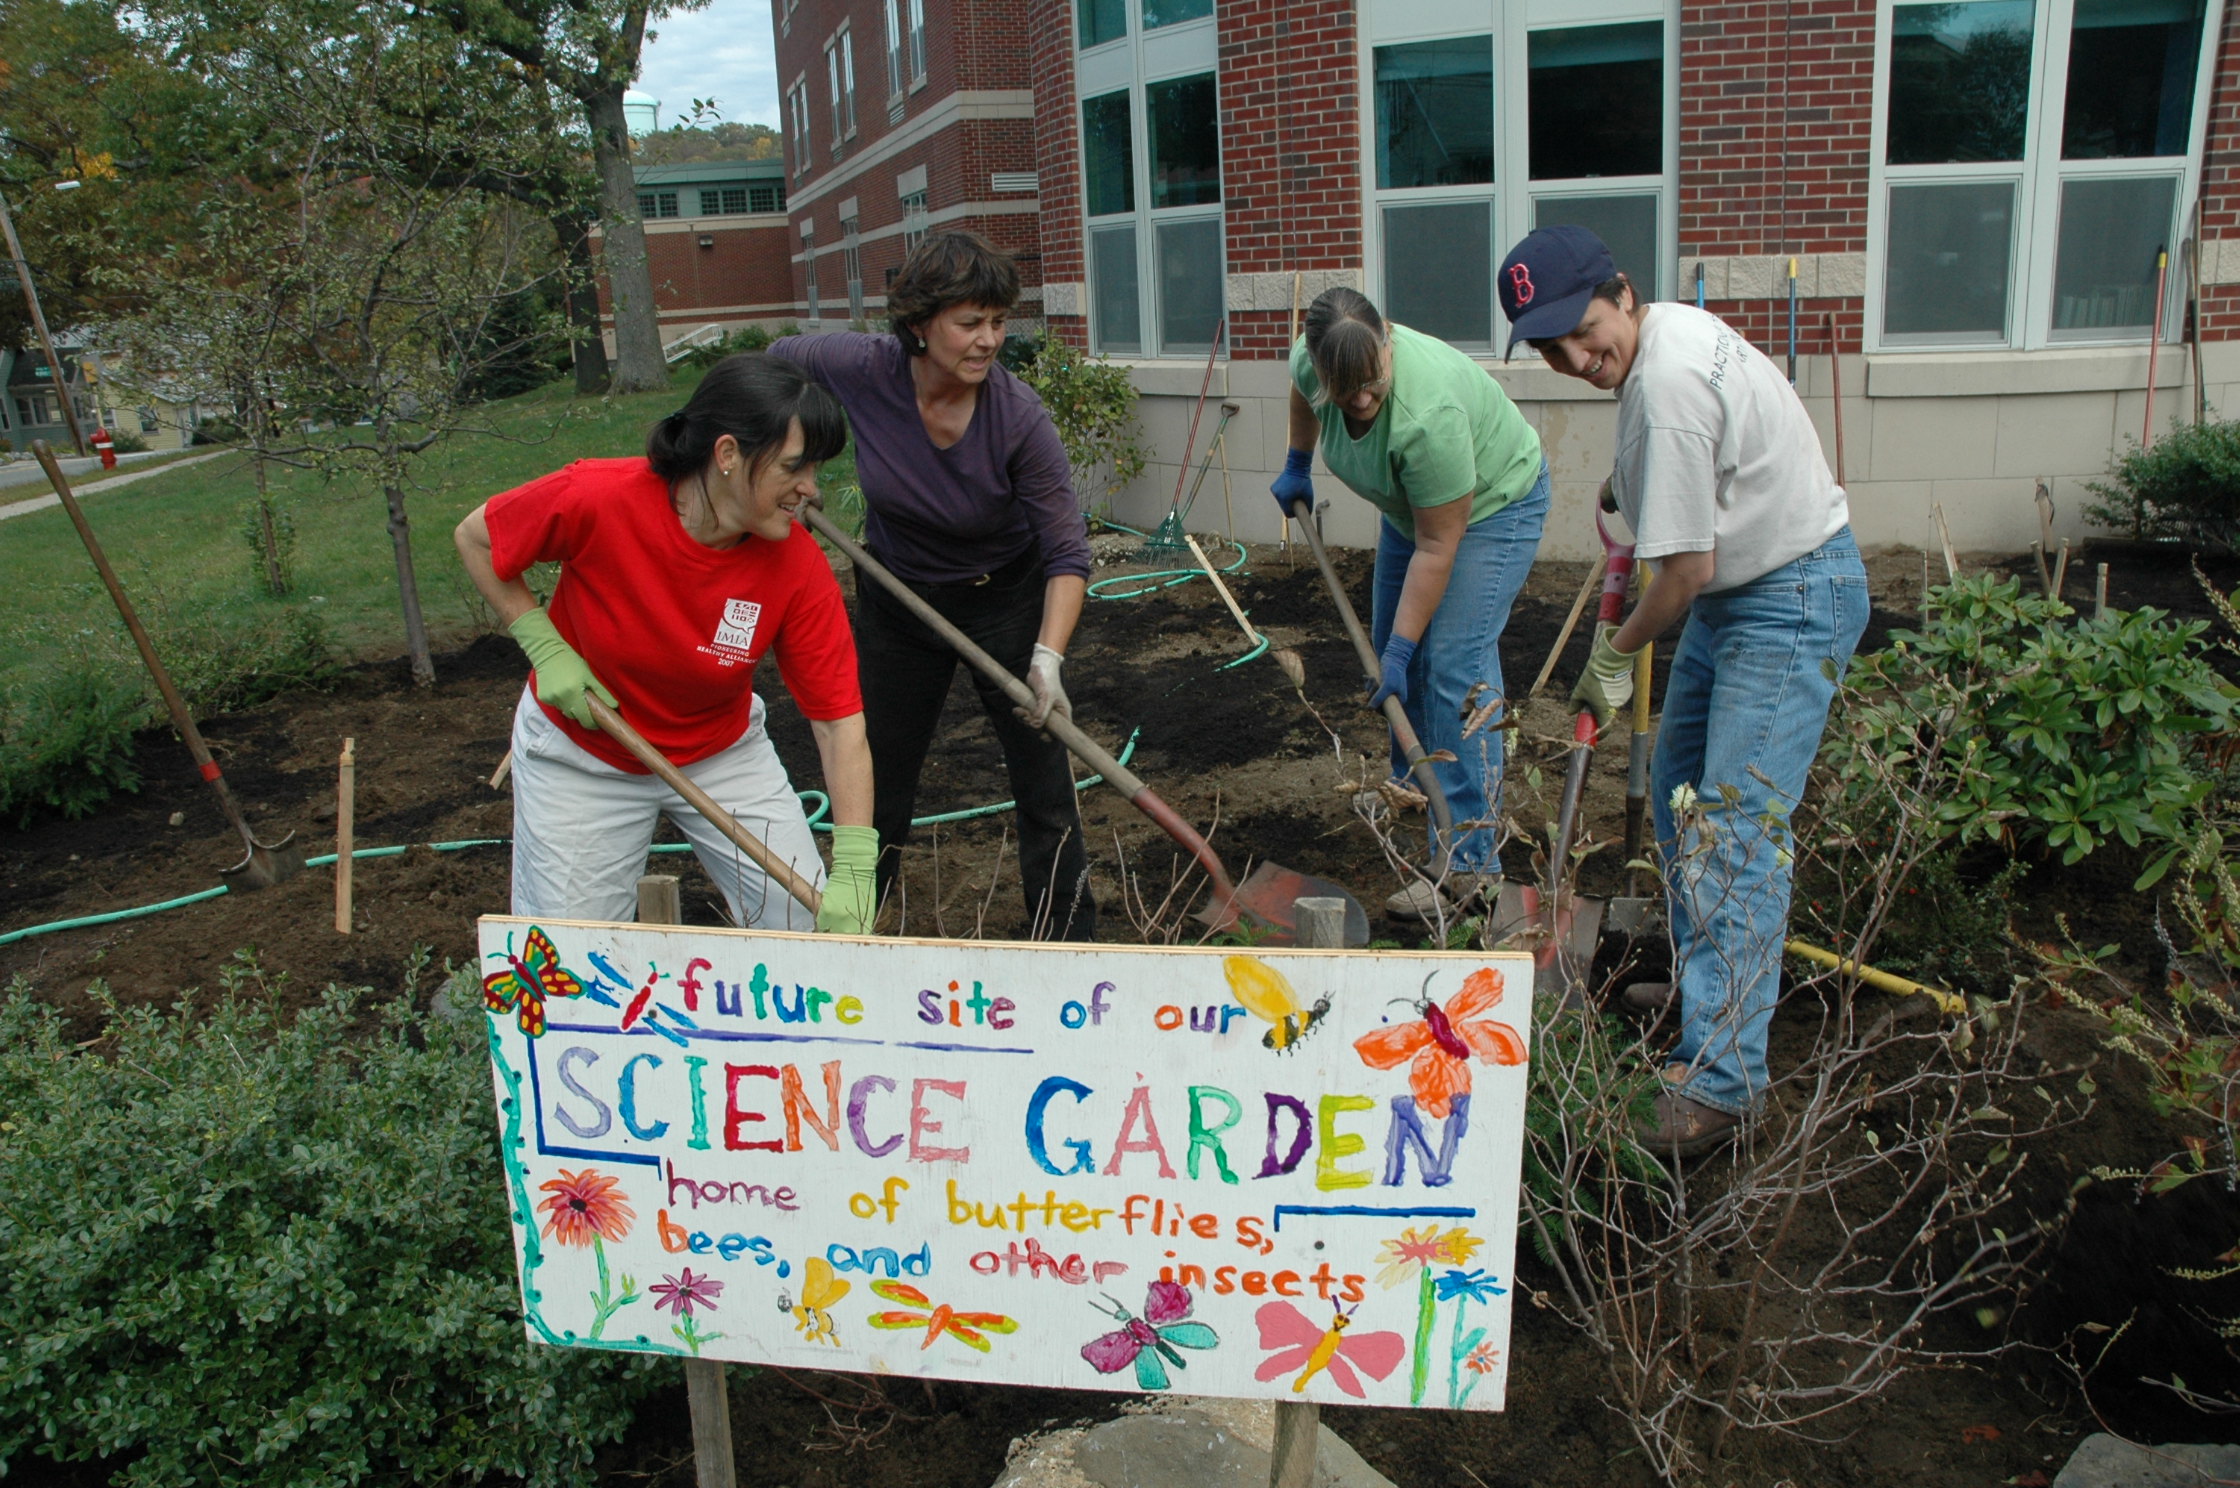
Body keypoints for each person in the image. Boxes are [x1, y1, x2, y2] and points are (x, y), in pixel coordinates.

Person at [1501, 224, 1869, 1158]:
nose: (1579, 359)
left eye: (1585, 332)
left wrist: (1617, 653)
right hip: (1746, 591)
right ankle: (1712, 991)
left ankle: (1725, 1081)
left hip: (1785, 597)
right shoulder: (1664, 341)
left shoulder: (1664, 386)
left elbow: (1687, 570)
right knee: (1680, 803)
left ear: (1622, 292)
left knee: (1735, 836)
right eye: (1553, 350)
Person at [454, 353, 878, 936]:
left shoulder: (796, 568)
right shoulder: (599, 497)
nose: (810, 490)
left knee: (807, 929)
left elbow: (838, 724)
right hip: (585, 756)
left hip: (721, 753)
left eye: (816, 469)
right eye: (793, 468)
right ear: (727, 455)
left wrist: (855, 863)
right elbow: (476, 539)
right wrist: (542, 643)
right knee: (564, 959)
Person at [772, 231, 1096, 941]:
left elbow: (1068, 553)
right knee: (879, 777)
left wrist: (1047, 658)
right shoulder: (863, 369)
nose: (989, 340)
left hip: (1005, 598)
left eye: (998, 322)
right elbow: (772, 369)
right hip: (898, 599)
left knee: (1044, 782)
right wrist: (794, 466)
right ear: (920, 324)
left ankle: (1068, 938)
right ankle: (857, 927)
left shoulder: (1018, 420)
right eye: (970, 322)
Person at [1273, 287, 1549, 921]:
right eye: (1347, 393)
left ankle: (1470, 868)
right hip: (1411, 513)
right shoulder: (1314, 364)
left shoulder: (1430, 414)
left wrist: (1404, 650)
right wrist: (1297, 462)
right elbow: (1301, 394)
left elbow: (1438, 546)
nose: (1362, 399)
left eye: (1372, 383)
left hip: (1490, 509)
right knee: (1391, 662)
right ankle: (1422, 797)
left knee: (1451, 667)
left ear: (1387, 341)